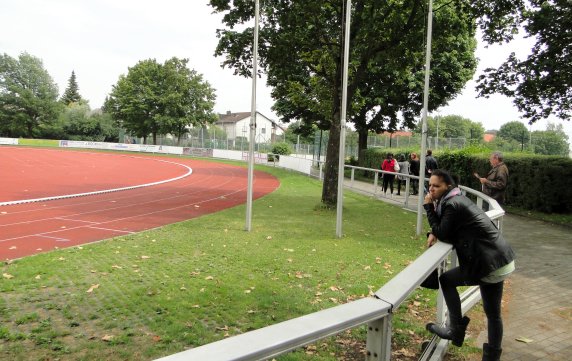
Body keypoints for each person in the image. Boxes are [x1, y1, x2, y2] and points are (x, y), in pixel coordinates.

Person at [423, 169, 515, 361]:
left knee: (446, 280)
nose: (431, 189)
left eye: (436, 186)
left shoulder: (452, 204)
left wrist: (428, 208)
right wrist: (435, 231)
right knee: (493, 314)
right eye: (430, 185)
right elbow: (445, 228)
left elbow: (444, 231)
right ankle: (488, 354)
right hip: (499, 258)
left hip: (488, 263)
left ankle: (455, 330)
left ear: (448, 187)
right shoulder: (458, 199)